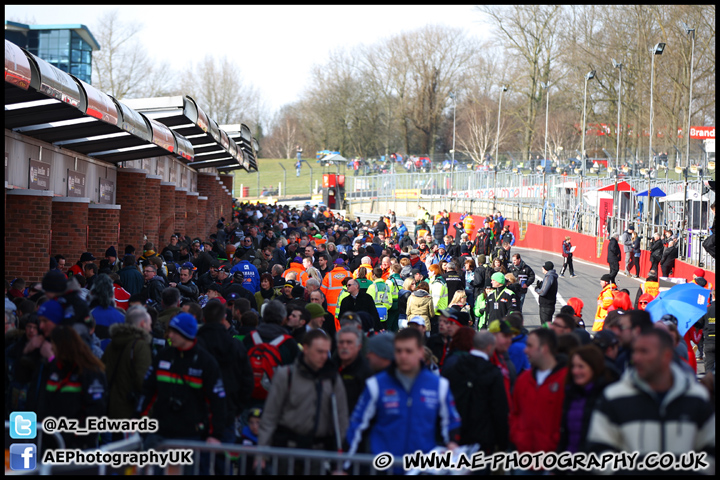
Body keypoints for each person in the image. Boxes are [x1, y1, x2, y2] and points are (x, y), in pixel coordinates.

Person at [586, 329, 714, 474]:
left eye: (645, 352)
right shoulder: (614, 397)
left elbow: (710, 449)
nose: (637, 358)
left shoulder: (696, 398)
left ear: (666, 356)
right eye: (635, 351)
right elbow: (598, 451)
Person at [346, 328, 461, 475]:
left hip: (421, 468)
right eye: (399, 351)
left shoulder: (439, 385)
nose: (403, 356)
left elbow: (451, 422)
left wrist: (451, 444)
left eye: (408, 351)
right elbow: (356, 426)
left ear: (420, 352)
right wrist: (346, 466)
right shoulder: (376, 384)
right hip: (384, 468)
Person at [138, 312, 226, 475]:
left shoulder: (206, 362)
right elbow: (148, 391)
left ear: (186, 334)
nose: (169, 335)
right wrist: (140, 420)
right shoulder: (164, 356)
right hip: (160, 432)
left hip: (190, 436)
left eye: (175, 332)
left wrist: (215, 435)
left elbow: (217, 402)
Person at [257, 329, 348, 470]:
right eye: (319, 351)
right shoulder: (286, 375)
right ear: (306, 348)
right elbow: (270, 416)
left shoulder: (333, 379)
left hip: (319, 453)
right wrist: (261, 453)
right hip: (287, 450)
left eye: (326, 352)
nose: (324, 356)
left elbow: (341, 420)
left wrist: (338, 461)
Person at [37, 326, 108, 450]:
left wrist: (79, 437)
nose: (51, 347)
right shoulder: (55, 369)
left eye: (53, 343)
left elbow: (96, 410)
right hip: (51, 440)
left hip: (78, 445)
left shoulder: (90, 372)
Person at [442, 330, 509, 458]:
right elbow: (499, 409)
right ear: (490, 347)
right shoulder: (493, 372)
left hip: (456, 437)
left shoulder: (454, 366)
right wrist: (502, 444)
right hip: (482, 440)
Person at [510, 328, 567, 471]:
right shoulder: (523, 380)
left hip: (553, 461)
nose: (525, 350)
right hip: (524, 459)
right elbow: (515, 413)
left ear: (544, 348)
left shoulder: (565, 380)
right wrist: (518, 438)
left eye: (530, 346)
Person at [101, 306, 153, 434]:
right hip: (132, 413)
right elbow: (143, 381)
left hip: (111, 409)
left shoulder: (112, 344)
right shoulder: (140, 346)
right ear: (142, 324)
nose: (150, 329)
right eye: (149, 324)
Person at [557, 345, 611, 454]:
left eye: (581, 367)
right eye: (573, 366)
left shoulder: (606, 396)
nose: (575, 371)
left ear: (594, 367)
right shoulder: (570, 393)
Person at [334, 326, 373, 412]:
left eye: (349, 342)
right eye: (341, 342)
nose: (344, 346)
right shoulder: (329, 367)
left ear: (359, 346)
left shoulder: (366, 372)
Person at [535, 261, 559, 327]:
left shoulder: (549, 277)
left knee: (545, 326)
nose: (542, 269)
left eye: (543, 267)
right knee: (548, 325)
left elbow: (542, 292)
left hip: (546, 306)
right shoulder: (553, 276)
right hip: (550, 304)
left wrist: (537, 289)